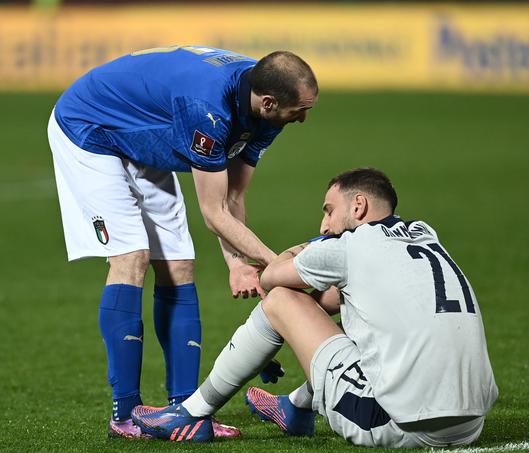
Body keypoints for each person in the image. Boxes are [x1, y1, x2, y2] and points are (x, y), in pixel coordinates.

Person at [46, 46, 318, 439]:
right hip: (91, 127)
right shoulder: (208, 108)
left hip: (146, 135)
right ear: (270, 102)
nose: (304, 118)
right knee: (132, 257)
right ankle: (124, 416)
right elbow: (213, 213)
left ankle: (187, 411)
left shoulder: (267, 107)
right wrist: (281, 267)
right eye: (300, 110)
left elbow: (232, 199)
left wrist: (239, 263)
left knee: (178, 264)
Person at [130, 167, 498, 447]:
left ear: (359, 205)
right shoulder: (424, 236)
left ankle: (191, 413)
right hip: (470, 426)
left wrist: (309, 247)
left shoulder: (349, 247)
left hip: (395, 424)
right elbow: (338, 303)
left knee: (280, 300)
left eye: (328, 210)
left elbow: (273, 277)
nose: (324, 224)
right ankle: (295, 406)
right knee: (343, 318)